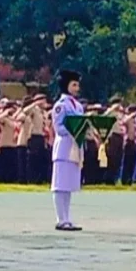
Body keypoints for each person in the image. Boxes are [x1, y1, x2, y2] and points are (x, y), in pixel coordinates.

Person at [50, 70, 86, 231]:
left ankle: (67, 217)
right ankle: (60, 219)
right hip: (64, 147)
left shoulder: (78, 106)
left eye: (77, 84)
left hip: (75, 147)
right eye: (74, 84)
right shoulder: (60, 105)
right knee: (60, 184)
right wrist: (74, 128)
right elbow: (59, 128)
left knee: (69, 185)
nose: (77, 88)